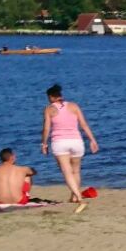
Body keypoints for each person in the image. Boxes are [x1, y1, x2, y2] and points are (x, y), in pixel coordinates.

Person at [40, 84, 98, 212]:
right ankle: (74, 197)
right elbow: (83, 124)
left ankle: (79, 198)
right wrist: (92, 140)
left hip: (60, 142)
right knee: (76, 171)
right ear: (61, 95)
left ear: (51, 97)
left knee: (67, 172)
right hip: (76, 141)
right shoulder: (73, 106)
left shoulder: (49, 109)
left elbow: (46, 128)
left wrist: (44, 143)